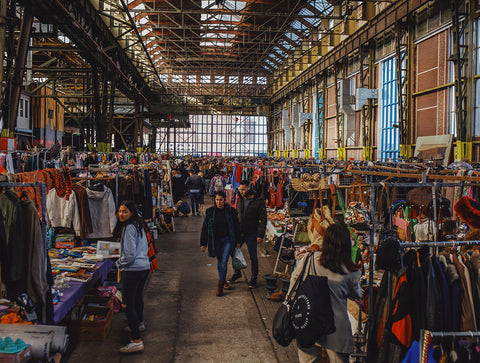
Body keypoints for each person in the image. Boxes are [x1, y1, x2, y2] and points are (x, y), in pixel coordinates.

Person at [288, 223, 362, 363]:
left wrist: (291, 304)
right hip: (336, 328)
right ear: (346, 244)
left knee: (309, 360)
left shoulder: (311, 259)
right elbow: (356, 295)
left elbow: (294, 281)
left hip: (309, 319)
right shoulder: (351, 271)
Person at [115, 200, 150, 354]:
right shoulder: (139, 225)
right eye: (120, 211)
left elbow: (129, 255)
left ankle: (136, 340)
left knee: (128, 304)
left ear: (132, 213)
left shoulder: (129, 228)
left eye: (125, 212)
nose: (121, 214)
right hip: (143, 267)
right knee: (137, 299)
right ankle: (139, 324)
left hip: (133, 269)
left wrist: (119, 263)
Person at [200, 191, 241, 297]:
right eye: (217, 200)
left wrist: (238, 241)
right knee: (219, 262)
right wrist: (203, 243)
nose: (219, 202)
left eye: (221, 200)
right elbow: (205, 228)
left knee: (224, 261)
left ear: (224, 200)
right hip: (215, 241)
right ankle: (223, 280)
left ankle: (220, 285)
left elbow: (237, 226)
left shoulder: (231, 211)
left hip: (227, 240)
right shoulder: (210, 212)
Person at [228, 181, 267, 288]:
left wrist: (260, 234)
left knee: (253, 256)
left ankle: (254, 278)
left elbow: (263, 219)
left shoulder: (259, 202)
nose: (241, 191)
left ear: (249, 189)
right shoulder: (240, 199)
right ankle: (237, 272)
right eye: (240, 189)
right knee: (234, 252)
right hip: (240, 232)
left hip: (252, 233)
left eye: (243, 189)